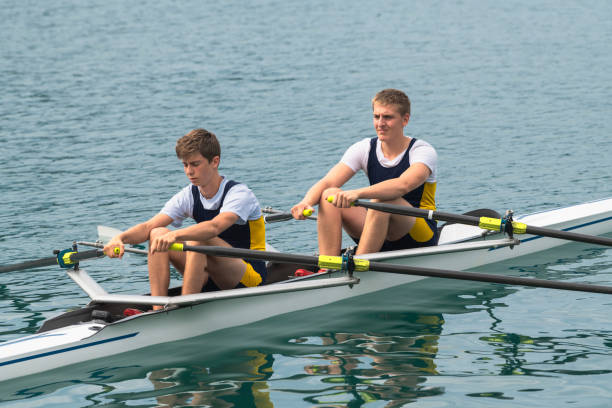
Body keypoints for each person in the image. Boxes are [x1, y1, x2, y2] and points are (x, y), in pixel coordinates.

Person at [103, 129, 266, 309]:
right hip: (208, 275)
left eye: (195, 164)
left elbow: (214, 227)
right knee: (157, 232)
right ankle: (158, 308)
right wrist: (120, 239)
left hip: (249, 278)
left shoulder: (239, 193)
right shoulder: (189, 194)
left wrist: (176, 236)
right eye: (185, 165)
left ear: (215, 161)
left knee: (198, 239)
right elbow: (149, 225)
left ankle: (185, 306)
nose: (189, 171)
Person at [291, 89, 438, 257]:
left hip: (419, 234)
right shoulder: (364, 148)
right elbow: (328, 181)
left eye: (388, 117)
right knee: (329, 195)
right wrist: (306, 202)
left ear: (405, 120)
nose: (380, 123)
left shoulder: (422, 151)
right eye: (376, 117)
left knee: (381, 199)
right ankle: (328, 264)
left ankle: (359, 264)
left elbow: (402, 185)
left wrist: (357, 194)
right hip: (379, 227)